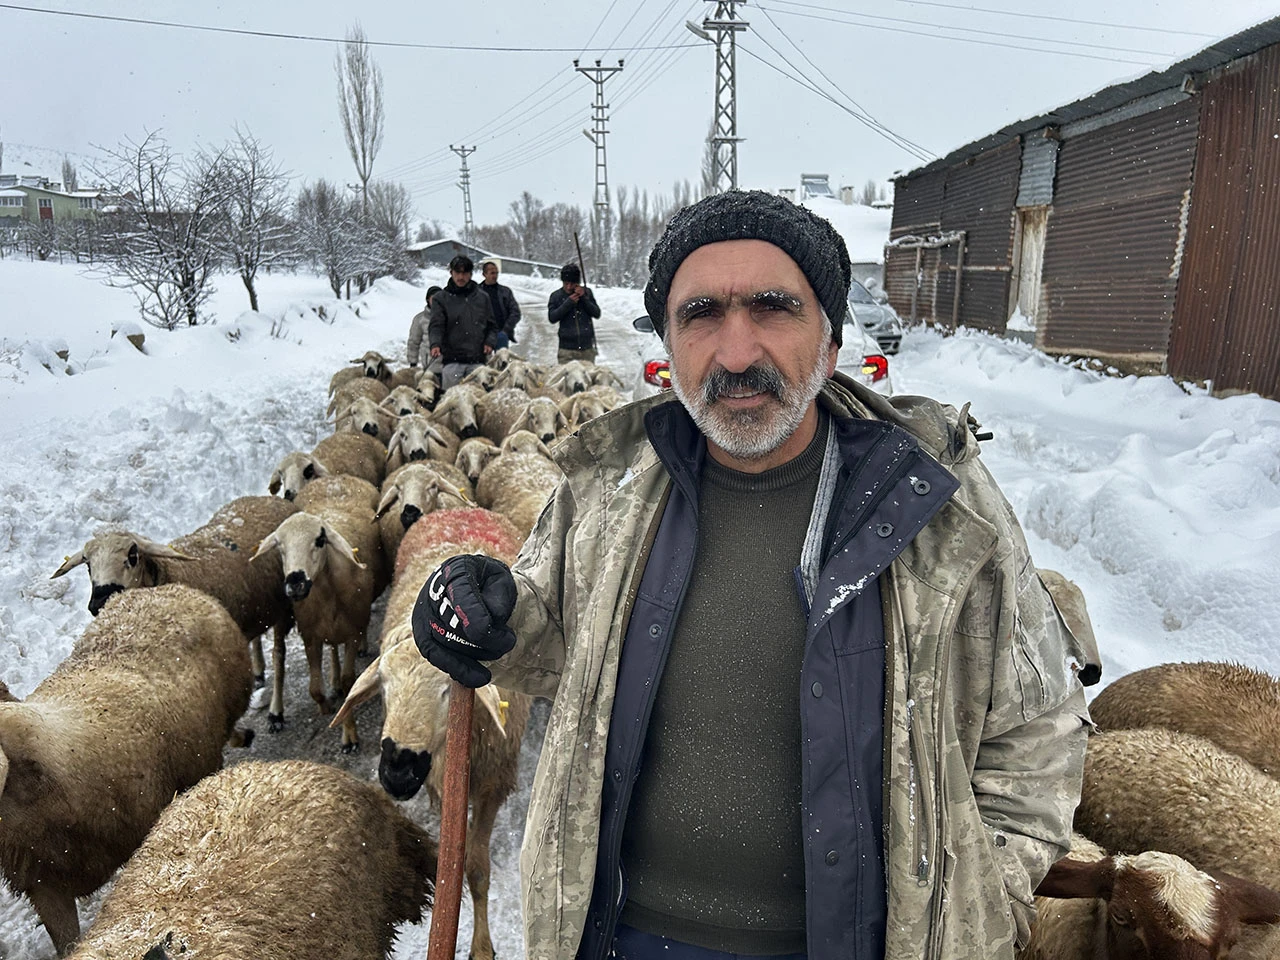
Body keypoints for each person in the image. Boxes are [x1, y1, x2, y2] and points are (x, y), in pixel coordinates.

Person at [412, 191, 1091, 960]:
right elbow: (554, 647)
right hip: (620, 936)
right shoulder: (609, 489)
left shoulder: (935, 507)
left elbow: (1036, 726)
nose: (736, 354)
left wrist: (983, 897)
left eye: (773, 308)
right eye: (702, 313)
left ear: (829, 343)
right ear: (668, 345)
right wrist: (486, 616)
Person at [428, 255, 499, 389]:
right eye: (457, 273)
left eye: (465, 273)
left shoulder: (482, 298)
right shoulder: (441, 299)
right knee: (452, 401)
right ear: (451, 273)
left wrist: (490, 342)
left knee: (480, 400)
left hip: (477, 361)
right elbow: (436, 326)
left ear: (471, 274)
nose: (461, 277)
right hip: (452, 362)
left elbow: (492, 326)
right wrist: (435, 343)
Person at [547, 262, 601, 364]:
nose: (568, 287)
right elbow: (552, 317)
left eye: (572, 284)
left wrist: (584, 299)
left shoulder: (587, 293)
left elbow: (596, 313)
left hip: (587, 349)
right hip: (566, 350)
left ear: (577, 283)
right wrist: (568, 303)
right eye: (566, 283)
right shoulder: (556, 296)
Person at [480, 259, 522, 349]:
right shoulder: (476, 293)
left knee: (502, 361)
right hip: (482, 336)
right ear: (484, 274)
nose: (495, 276)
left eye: (496, 273)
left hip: (501, 335)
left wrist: (506, 330)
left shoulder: (505, 292)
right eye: (492, 273)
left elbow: (515, 312)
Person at [407, 284, 443, 372]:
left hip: (449, 365)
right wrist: (413, 362)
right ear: (428, 299)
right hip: (430, 364)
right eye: (433, 298)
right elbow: (413, 342)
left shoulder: (450, 316)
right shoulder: (420, 319)